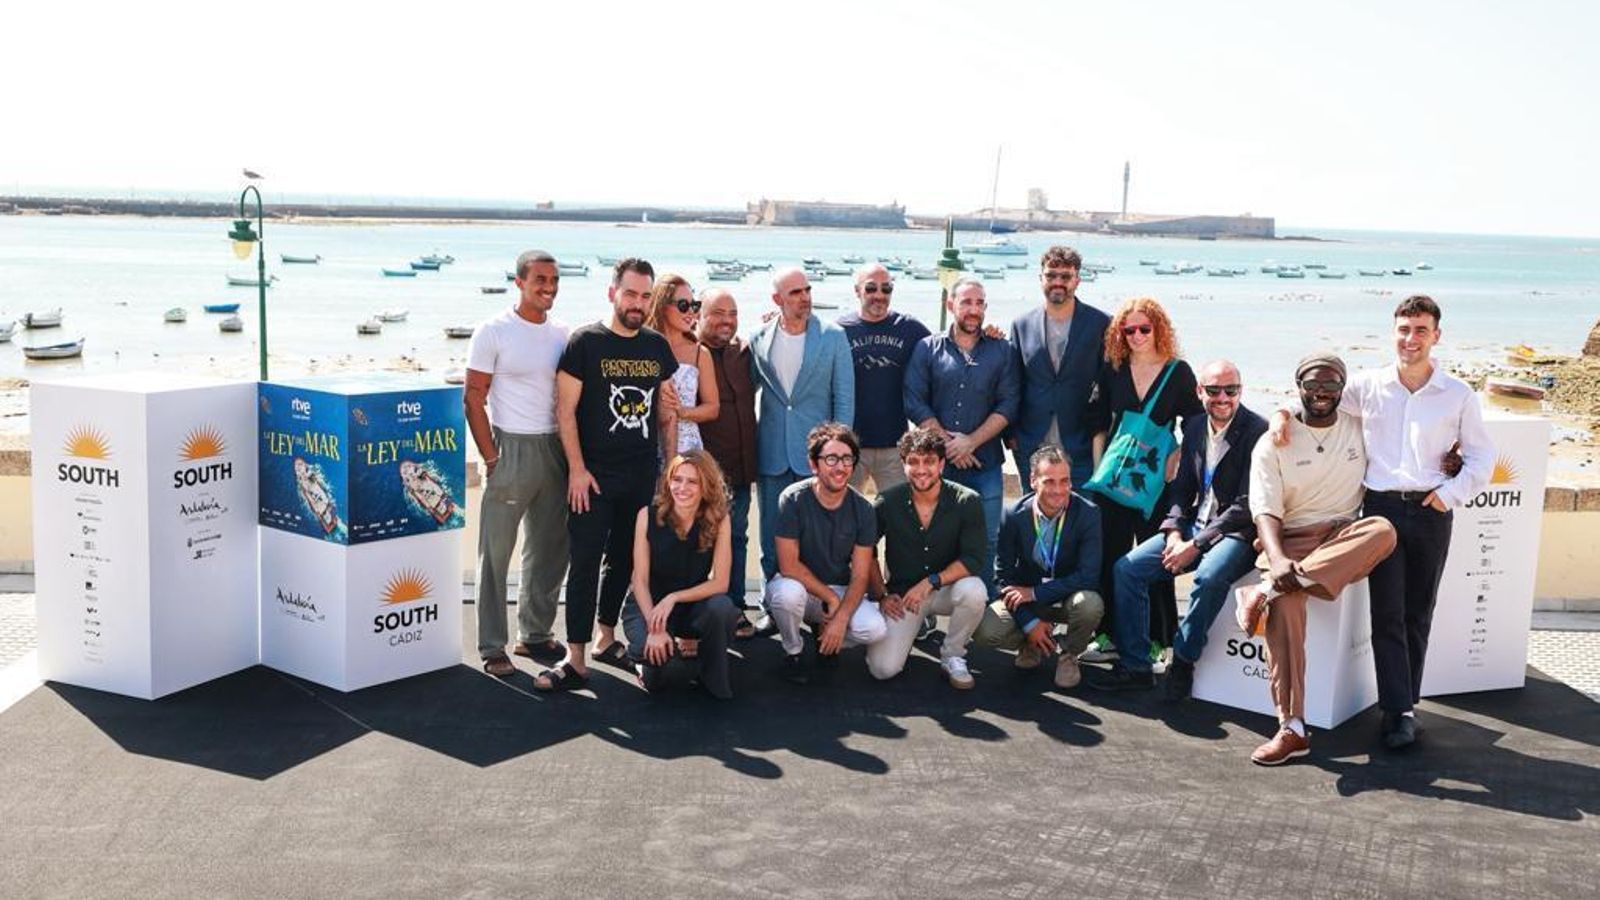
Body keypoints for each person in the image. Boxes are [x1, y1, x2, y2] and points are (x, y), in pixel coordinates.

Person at [1271, 296, 1494, 750]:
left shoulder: (1458, 395)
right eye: (1403, 329)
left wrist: (1447, 495)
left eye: (1420, 330)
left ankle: (1406, 701)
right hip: (1380, 511)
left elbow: (1481, 456)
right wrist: (1279, 414)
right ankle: (1397, 713)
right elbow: (1317, 397)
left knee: (1418, 612)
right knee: (1386, 613)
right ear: (1394, 333)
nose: (1410, 339)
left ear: (1436, 336)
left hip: (1431, 512)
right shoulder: (1368, 385)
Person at [1238, 355, 1397, 765]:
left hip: (1342, 535)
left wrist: (1450, 460)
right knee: (1287, 607)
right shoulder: (1273, 441)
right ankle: (1292, 727)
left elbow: (1411, 444)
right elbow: (1265, 511)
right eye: (1312, 385)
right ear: (1298, 385)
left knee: (1383, 530)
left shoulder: (1361, 428)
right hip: (1290, 539)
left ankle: (1268, 590)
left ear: (1343, 388)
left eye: (1331, 385)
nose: (1322, 393)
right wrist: (1276, 561)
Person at [539, 258, 680, 692]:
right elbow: (564, 411)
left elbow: (667, 413)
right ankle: (575, 658)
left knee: (624, 560)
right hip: (593, 478)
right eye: (630, 293)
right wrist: (577, 471)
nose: (637, 304)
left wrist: (670, 471)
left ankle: (606, 638)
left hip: (640, 476)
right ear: (612, 292)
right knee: (583, 563)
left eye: (644, 296)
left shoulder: (656, 346)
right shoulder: (585, 343)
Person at [1085, 359, 1266, 696]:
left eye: (1231, 390)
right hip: (1193, 528)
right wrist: (1173, 532)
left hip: (1234, 533)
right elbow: (1182, 490)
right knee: (1127, 569)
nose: (1222, 398)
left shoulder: (1258, 431)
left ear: (1241, 391)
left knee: (1208, 576)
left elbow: (1246, 503)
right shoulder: (1195, 426)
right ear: (1200, 392)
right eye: (1213, 390)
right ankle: (1136, 665)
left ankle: (1182, 661)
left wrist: (1194, 546)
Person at [464, 249, 572, 678]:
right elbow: (473, 397)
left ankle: (535, 633)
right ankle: (492, 645)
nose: (548, 287)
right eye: (540, 280)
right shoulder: (493, 331)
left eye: (554, 280)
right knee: (496, 552)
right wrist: (491, 456)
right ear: (519, 282)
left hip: (555, 449)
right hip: (510, 447)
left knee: (550, 548)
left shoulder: (563, 333)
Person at [1081, 297, 1202, 667]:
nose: (1135, 336)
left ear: (1158, 329)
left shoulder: (1178, 372)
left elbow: (1197, 423)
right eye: (1128, 329)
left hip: (1155, 483)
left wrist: (1176, 458)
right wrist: (1101, 472)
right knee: (1110, 557)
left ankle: (1157, 639)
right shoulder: (1113, 368)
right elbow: (1097, 421)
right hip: (1113, 482)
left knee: (1154, 561)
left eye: (1143, 329)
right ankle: (1108, 635)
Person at [904, 276, 1020, 596]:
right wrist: (949, 444)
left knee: (987, 538)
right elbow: (914, 398)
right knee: (930, 537)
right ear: (950, 304)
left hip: (985, 465)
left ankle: (982, 607)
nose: (973, 309)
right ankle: (925, 607)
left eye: (979, 303)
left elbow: (1009, 404)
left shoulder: (1002, 350)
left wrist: (971, 442)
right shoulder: (927, 348)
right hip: (936, 465)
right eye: (966, 302)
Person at [751, 267, 855, 588]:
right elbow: (744, 393)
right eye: (795, 293)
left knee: (818, 536)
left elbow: (845, 398)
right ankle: (773, 599)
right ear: (777, 299)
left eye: (807, 290)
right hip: (772, 452)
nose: (805, 297)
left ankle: (818, 606)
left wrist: (837, 457)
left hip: (817, 456)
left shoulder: (833, 336)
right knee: (771, 533)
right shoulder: (759, 337)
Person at [973, 445, 1106, 690]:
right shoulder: (1012, 515)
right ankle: (1031, 643)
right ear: (1033, 480)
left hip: (1066, 596)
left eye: (1065, 481)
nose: (1059, 490)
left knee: (1090, 604)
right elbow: (1002, 576)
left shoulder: (1089, 514)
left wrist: (1034, 593)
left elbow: (1088, 576)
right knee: (985, 631)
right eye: (1050, 481)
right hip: (1028, 601)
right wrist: (1029, 622)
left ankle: (1069, 655)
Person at [865, 427, 989, 689]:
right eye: (913, 462)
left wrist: (931, 581)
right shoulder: (887, 501)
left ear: (942, 464)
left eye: (929, 461)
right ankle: (912, 629)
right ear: (903, 464)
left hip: (946, 589)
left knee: (975, 590)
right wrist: (882, 594)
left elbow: (974, 559)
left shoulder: (967, 501)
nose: (922, 469)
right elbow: (865, 550)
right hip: (905, 597)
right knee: (882, 669)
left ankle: (953, 655)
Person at [767, 423, 887, 684]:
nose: (840, 466)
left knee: (875, 629)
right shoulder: (793, 499)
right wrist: (829, 598)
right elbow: (788, 566)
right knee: (786, 596)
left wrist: (840, 618)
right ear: (814, 464)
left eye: (847, 459)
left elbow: (860, 576)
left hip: (842, 590)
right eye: (831, 458)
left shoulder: (863, 509)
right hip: (801, 587)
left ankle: (829, 637)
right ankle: (793, 650)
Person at [619, 450, 740, 699]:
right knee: (654, 673)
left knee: (723, 608)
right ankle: (644, 660)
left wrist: (674, 597)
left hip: (690, 604)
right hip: (648, 604)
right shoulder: (647, 516)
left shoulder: (720, 519)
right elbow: (639, 581)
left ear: (706, 486)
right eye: (677, 479)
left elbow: (720, 583)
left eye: (692, 481)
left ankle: (712, 677)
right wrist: (655, 626)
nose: (682, 487)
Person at [1009, 245, 1110, 489]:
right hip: (1031, 444)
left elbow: (1109, 382)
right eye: (1051, 275)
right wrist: (1010, 434)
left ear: (1077, 280)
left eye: (1065, 276)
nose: (1058, 282)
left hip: (1081, 445)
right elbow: (1012, 382)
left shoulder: (1101, 323)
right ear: (1040, 278)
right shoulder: (1021, 324)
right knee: (1031, 521)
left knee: (1081, 521)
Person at [696, 287, 761, 636]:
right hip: (701, 472)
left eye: (733, 313)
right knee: (697, 542)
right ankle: (694, 613)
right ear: (701, 314)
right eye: (718, 312)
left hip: (739, 469)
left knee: (736, 538)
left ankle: (735, 607)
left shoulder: (745, 351)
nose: (727, 320)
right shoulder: (690, 352)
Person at [836, 263, 930, 495]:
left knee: (899, 519)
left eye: (886, 289)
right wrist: (777, 317)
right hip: (850, 445)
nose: (879, 295)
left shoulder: (910, 329)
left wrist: (987, 334)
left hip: (895, 446)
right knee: (842, 520)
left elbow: (947, 352)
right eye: (871, 288)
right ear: (857, 291)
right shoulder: (839, 330)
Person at [645, 273, 718, 455]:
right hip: (646, 446)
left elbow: (713, 408)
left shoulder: (700, 353)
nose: (691, 313)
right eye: (683, 305)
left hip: (687, 449)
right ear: (662, 306)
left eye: (694, 305)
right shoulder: (642, 347)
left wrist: (682, 412)